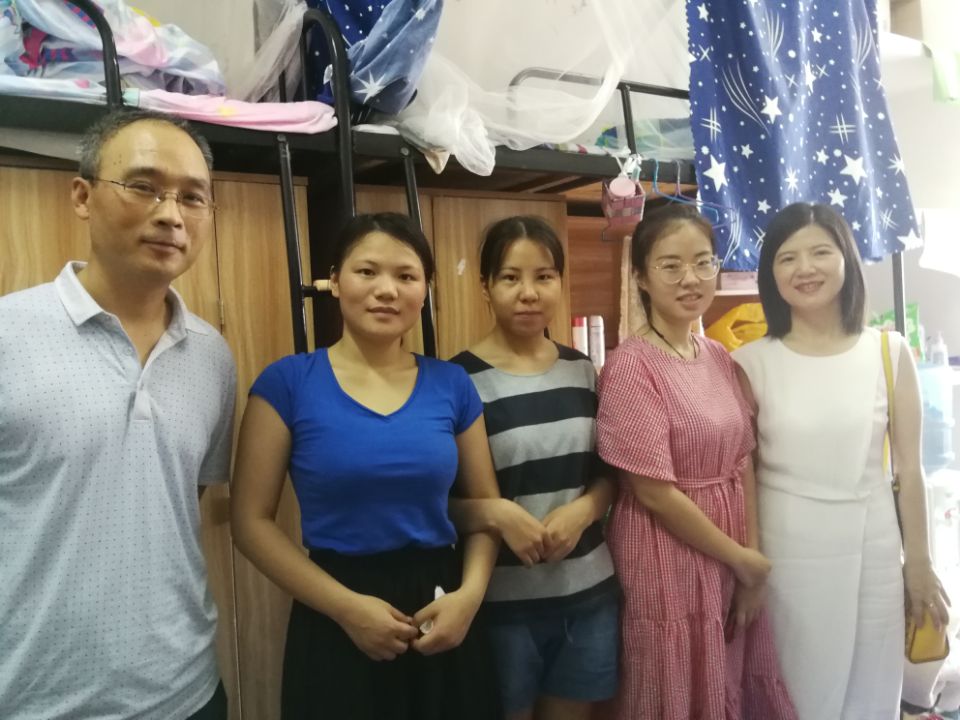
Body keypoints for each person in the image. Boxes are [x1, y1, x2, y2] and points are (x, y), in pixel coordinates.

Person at [0, 109, 236, 719]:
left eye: (193, 198)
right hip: (34, 699)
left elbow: (183, 499)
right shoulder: (8, 334)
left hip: (188, 692)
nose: (171, 214)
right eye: (143, 187)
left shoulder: (212, 356)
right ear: (82, 196)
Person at [230, 212, 503, 720]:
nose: (387, 290)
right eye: (367, 271)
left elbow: (487, 509)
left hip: (442, 610)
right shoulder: (287, 383)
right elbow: (250, 522)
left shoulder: (452, 385)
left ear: (425, 289)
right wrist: (346, 609)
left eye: (406, 275)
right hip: (335, 609)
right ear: (335, 281)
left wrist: (469, 598)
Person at [732, 202, 950, 719]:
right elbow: (743, 476)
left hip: (874, 551)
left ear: (846, 259)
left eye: (820, 252)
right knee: (797, 692)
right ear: (770, 274)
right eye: (787, 258)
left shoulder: (888, 352)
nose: (805, 268)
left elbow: (909, 471)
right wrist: (750, 565)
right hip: (787, 557)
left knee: (870, 693)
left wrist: (919, 565)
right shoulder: (748, 362)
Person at [595, 204, 798, 719]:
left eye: (703, 262)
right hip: (664, 553)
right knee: (671, 682)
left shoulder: (718, 356)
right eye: (671, 266)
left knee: (727, 671)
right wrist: (740, 558)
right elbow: (653, 492)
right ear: (641, 277)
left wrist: (749, 560)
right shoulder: (630, 367)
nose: (691, 278)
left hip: (728, 547)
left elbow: (742, 461)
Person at [448, 216, 619, 720]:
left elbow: (608, 475)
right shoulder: (457, 381)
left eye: (544, 276)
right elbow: (440, 504)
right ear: (485, 286)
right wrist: (499, 515)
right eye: (510, 277)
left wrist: (584, 511)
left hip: (589, 598)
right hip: (501, 607)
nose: (529, 293)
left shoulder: (582, 370)